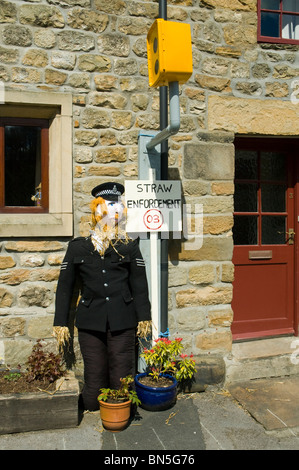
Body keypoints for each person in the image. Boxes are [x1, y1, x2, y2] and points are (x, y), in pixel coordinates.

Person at [53, 182, 151, 411]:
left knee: (122, 371)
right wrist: (60, 323)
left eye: (117, 206)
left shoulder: (128, 246)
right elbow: (64, 286)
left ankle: (121, 409)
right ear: (96, 210)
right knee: (94, 375)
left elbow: (139, 285)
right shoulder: (78, 248)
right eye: (106, 207)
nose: (112, 212)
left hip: (123, 319)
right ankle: (95, 407)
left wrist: (143, 318)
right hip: (90, 320)